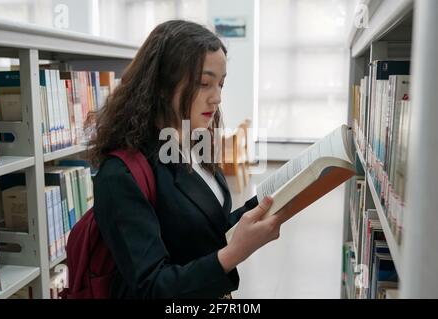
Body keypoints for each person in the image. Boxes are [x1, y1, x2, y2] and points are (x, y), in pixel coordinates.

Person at [89, 20, 293, 299]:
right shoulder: (120, 175)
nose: (217, 97)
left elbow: (204, 226)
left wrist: (270, 201)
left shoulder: (194, 144)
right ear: (161, 84)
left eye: (221, 84)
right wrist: (233, 254)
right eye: (204, 83)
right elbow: (151, 286)